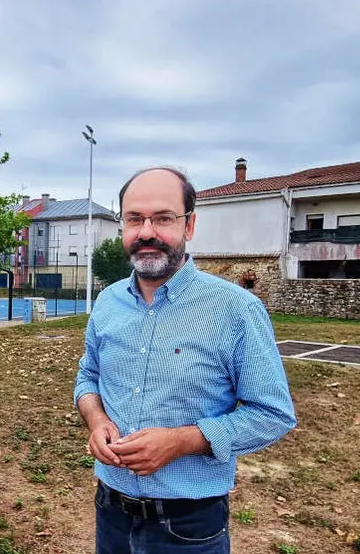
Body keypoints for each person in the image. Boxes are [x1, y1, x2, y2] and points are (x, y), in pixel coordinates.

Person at [73, 167, 297, 553]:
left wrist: (182, 441)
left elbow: (273, 414)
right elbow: (88, 376)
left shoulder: (236, 309)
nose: (146, 232)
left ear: (189, 225)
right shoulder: (108, 303)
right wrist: (97, 420)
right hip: (110, 511)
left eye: (163, 218)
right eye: (134, 219)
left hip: (190, 526)